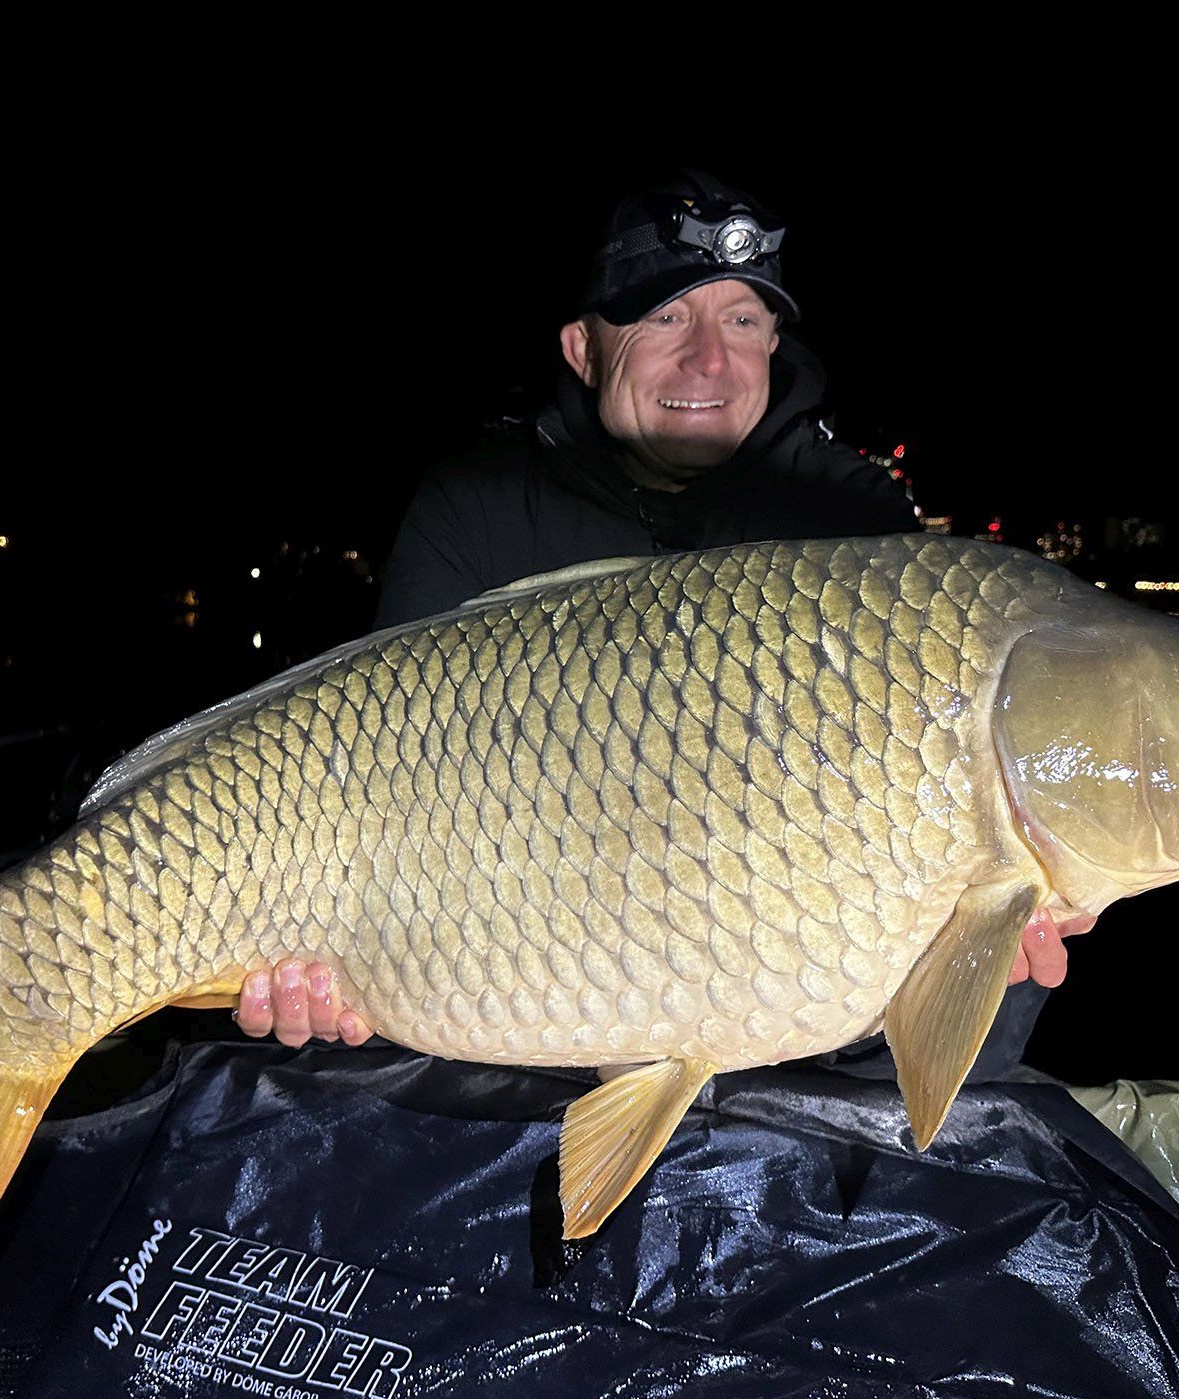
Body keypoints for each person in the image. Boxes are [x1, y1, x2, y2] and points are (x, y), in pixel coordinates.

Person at [234, 172, 1085, 1051]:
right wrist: (322, 966)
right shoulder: (478, 506)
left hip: (775, 981)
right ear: (582, 349)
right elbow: (358, 784)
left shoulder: (855, 526)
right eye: (665, 318)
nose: (709, 360)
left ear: (774, 344)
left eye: (744, 321)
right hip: (506, 958)